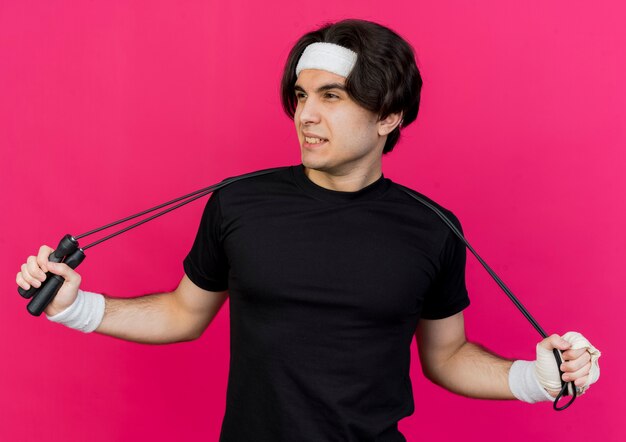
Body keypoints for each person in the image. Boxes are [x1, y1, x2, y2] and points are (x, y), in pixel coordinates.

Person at [16, 19, 600, 442]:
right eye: (300, 96)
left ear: (388, 117)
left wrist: (534, 379)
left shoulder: (433, 228)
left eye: (332, 96)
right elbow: (181, 314)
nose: (306, 115)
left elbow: (445, 357)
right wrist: (76, 307)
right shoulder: (238, 204)